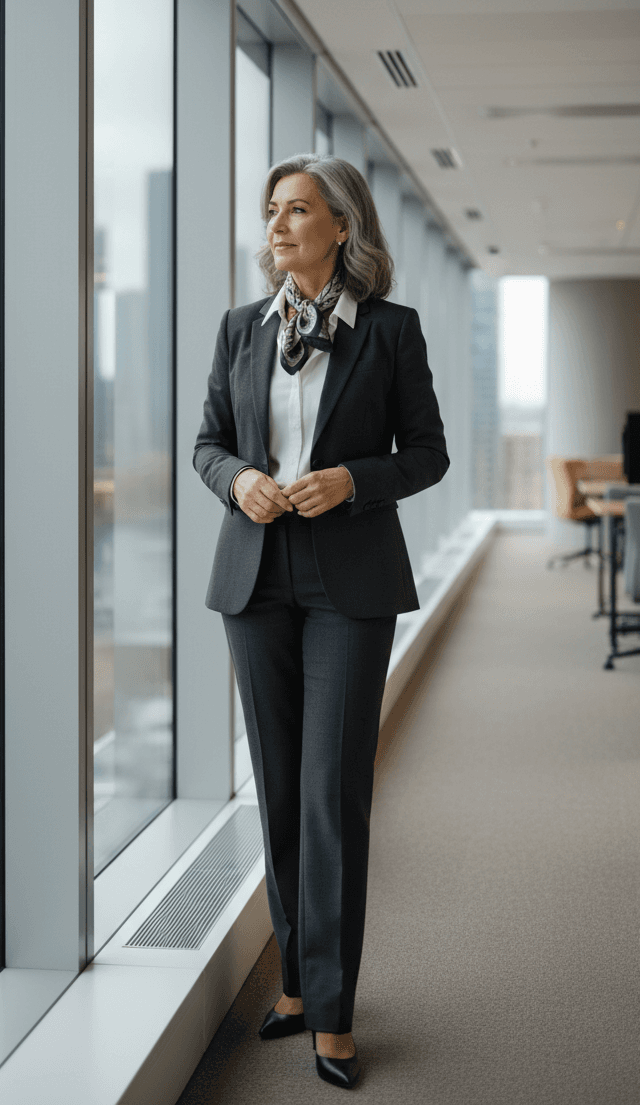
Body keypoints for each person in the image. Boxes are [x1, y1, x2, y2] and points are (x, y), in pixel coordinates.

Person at [194, 153, 448, 1089]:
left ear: (342, 224)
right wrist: (240, 480)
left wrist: (351, 479)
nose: (277, 225)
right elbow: (208, 443)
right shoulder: (241, 328)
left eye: (297, 209)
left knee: (332, 794)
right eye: (272, 210)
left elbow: (428, 454)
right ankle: (299, 984)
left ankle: (334, 1015)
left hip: (350, 579)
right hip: (254, 577)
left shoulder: (390, 331)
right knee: (278, 789)